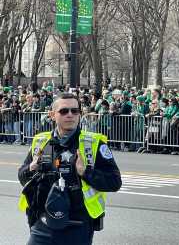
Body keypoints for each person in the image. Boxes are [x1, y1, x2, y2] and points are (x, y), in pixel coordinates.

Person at [18, 93, 122, 245]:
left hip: (77, 226)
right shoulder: (41, 141)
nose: (70, 115)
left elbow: (114, 182)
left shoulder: (93, 143)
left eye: (75, 111)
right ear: (52, 115)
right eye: (64, 111)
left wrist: (85, 172)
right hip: (42, 224)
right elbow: (22, 176)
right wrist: (31, 168)